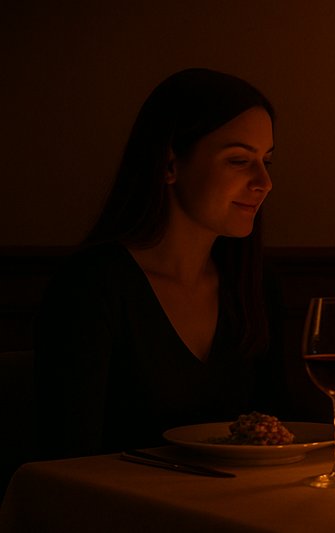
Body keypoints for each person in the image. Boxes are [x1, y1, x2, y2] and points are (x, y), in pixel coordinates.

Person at [35, 68, 287, 459]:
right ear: (169, 164)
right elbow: (66, 458)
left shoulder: (251, 284)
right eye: (239, 160)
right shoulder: (94, 285)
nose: (264, 182)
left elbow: (297, 423)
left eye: (266, 161)